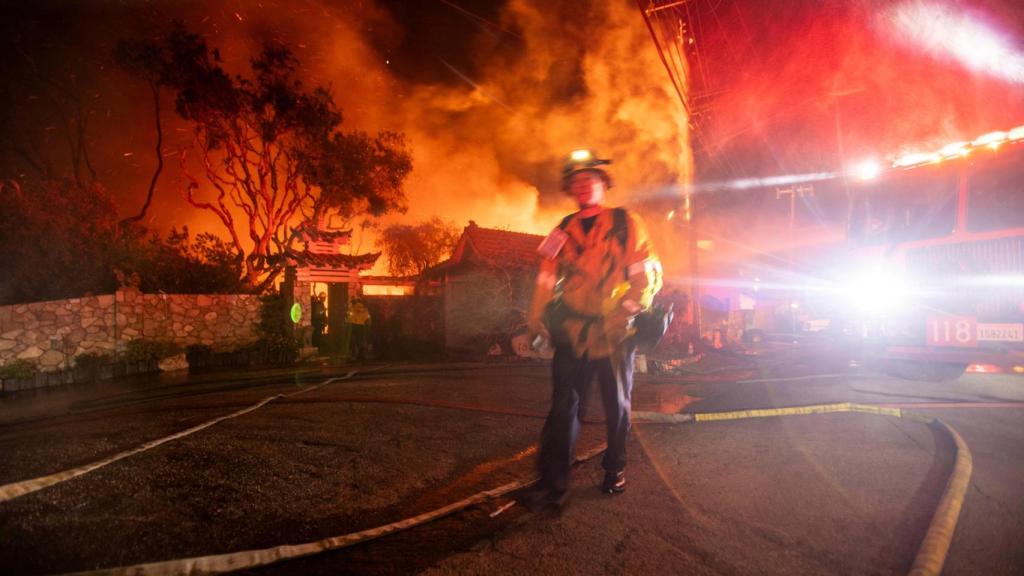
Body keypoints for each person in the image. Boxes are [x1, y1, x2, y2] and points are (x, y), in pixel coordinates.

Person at [519, 149, 663, 511]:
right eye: (577, 181)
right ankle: (553, 484)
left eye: (590, 179)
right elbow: (545, 278)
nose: (583, 185)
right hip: (573, 332)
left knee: (617, 406)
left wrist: (625, 314)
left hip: (615, 334)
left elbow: (645, 277)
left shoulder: (626, 223)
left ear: (603, 184)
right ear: (570, 188)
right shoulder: (561, 231)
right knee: (563, 407)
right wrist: (536, 319)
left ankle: (615, 469)